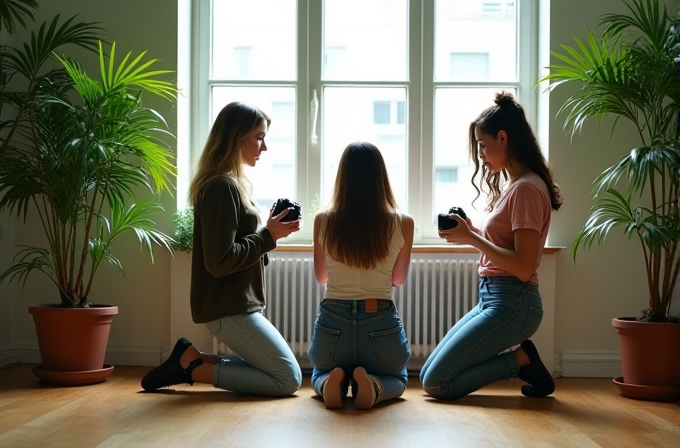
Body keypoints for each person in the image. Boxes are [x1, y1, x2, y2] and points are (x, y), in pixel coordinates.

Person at [141, 101, 303, 396]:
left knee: (280, 372)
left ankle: (192, 359)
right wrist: (267, 235)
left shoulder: (231, 185)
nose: (263, 147)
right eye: (259, 137)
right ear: (236, 137)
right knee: (287, 378)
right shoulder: (220, 187)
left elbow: (235, 248)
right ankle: (192, 368)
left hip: (238, 306)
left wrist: (270, 234)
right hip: (229, 310)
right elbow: (219, 261)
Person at [419, 92, 562, 400]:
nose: (480, 155)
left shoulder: (525, 188)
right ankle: (521, 360)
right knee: (427, 374)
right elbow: (506, 244)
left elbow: (523, 266)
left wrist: (472, 239)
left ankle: (521, 361)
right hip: (496, 298)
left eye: (483, 145)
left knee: (435, 384)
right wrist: (472, 230)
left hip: (513, 303)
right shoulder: (517, 186)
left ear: (502, 137)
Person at [308, 141, 415, 410]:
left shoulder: (323, 220)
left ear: (342, 177)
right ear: (381, 177)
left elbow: (321, 276)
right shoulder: (404, 222)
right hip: (379, 319)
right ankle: (374, 387)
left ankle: (330, 384)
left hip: (334, 320)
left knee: (318, 373)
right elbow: (398, 280)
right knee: (398, 378)